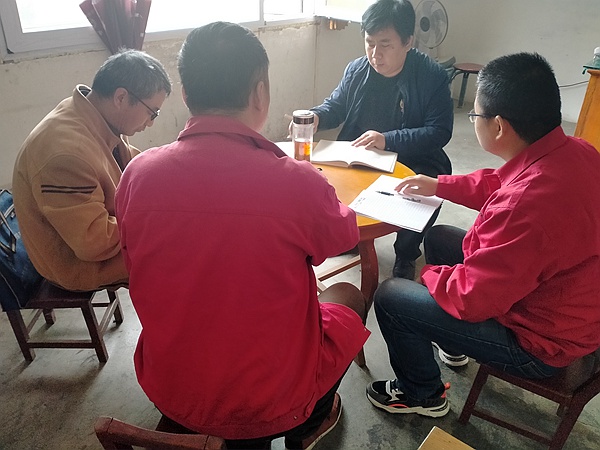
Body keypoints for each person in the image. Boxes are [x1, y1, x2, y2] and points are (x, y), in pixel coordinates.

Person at [115, 22, 370, 450]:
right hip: (268, 398)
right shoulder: (296, 182)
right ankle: (308, 421)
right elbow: (341, 238)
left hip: (173, 383)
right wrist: (317, 188)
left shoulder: (137, 175)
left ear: (185, 95)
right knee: (348, 296)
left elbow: (135, 262)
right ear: (260, 94)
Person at [366, 52, 600, 418]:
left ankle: (422, 394)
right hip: (561, 301)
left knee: (392, 297)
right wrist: (438, 185)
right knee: (440, 237)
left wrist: (432, 276)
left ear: (499, 127)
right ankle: (454, 343)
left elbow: (472, 300)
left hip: (539, 343)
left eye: (475, 116)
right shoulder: (576, 152)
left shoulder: (523, 209)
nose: (474, 121)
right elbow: (500, 184)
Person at [308, 0, 453, 279]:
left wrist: (387, 139)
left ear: (408, 41)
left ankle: (406, 253)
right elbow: (335, 106)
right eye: (370, 43)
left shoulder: (431, 76)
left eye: (385, 45)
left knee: (425, 187)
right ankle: (351, 238)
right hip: (362, 152)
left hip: (414, 156)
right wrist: (316, 117)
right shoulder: (357, 69)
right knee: (325, 180)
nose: (375, 54)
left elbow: (439, 131)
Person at [12, 49, 171, 292]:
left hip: (96, 232)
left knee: (186, 225)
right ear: (121, 97)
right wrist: (153, 219)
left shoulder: (93, 112)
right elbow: (93, 243)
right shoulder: (66, 155)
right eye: (152, 113)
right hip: (76, 264)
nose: (150, 123)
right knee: (181, 249)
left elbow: (127, 162)